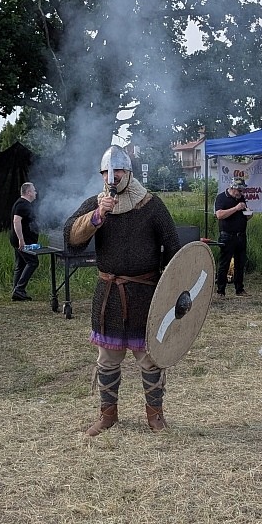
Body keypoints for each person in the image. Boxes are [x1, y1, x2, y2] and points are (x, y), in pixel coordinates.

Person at [65, 145, 180, 435]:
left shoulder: (151, 205)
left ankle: (155, 416)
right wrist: (96, 216)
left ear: (128, 172)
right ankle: (108, 416)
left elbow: (173, 247)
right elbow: (71, 238)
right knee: (106, 360)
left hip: (146, 295)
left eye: (117, 170)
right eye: (107, 172)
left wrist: (172, 289)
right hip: (109, 296)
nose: (112, 177)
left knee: (150, 360)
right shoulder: (96, 204)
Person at [214, 177, 251, 297]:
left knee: (240, 264)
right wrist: (236, 208)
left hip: (241, 235)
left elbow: (244, 214)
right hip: (227, 235)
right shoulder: (221, 197)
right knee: (224, 263)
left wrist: (248, 214)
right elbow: (219, 215)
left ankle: (239, 289)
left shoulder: (241, 198)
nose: (241, 193)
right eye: (239, 190)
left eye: (242, 191)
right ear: (232, 188)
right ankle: (220, 290)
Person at [9, 182, 40, 301]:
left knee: (21, 264)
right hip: (23, 241)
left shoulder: (23, 204)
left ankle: (16, 291)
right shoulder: (22, 204)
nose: (35, 192)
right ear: (28, 192)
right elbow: (16, 221)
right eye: (34, 190)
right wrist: (21, 240)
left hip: (20, 240)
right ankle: (19, 289)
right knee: (33, 262)